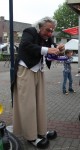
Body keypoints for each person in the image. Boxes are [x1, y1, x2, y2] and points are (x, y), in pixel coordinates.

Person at [11, 17, 64, 149]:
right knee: (28, 105)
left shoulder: (47, 37)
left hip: (38, 70)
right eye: (47, 30)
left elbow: (53, 49)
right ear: (40, 26)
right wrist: (47, 50)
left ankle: (41, 131)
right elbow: (25, 45)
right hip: (26, 70)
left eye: (52, 31)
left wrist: (59, 49)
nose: (50, 34)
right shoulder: (29, 31)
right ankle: (31, 136)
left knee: (39, 103)